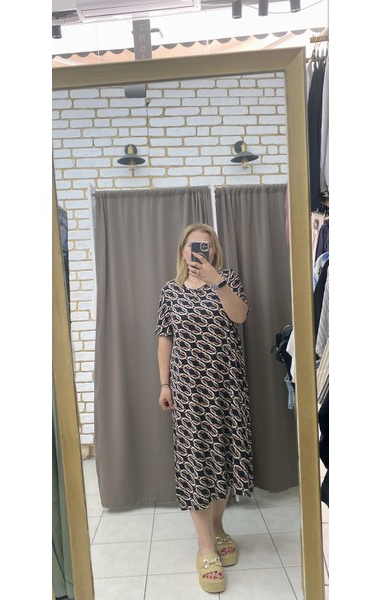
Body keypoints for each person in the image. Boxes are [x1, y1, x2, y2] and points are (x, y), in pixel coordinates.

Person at [155, 223, 254, 593]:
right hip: (189, 391)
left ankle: (218, 527)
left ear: (214, 251)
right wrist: (164, 383)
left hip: (226, 387)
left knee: (224, 459)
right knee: (197, 461)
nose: (200, 251)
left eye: (207, 246)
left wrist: (218, 282)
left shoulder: (228, 279)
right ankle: (205, 546)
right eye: (194, 246)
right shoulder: (170, 291)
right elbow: (165, 337)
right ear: (183, 250)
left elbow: (240, 316)